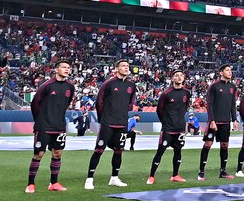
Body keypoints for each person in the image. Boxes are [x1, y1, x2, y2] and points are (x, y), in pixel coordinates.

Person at [85, 59, 137, 190]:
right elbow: (99, 102)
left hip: (122, 123)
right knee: (99, 150)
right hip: (108, 122)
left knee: (119, 150)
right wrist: (104, 118)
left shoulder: (131, 85)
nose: (126, 68)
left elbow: (131, 103)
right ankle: (89, 179)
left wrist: (123, 113)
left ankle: (114, 178)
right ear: (116, 69)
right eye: (123, 66)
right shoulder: (108, 84)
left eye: (127, 66)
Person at [27, 59, 76, 193]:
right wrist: (40, 120)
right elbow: (35, 104)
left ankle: (54, 183)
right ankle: (31, 184)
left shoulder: (70, 87)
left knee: (57, 153)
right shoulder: (46, 85)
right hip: (44, 125)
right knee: (39, 154)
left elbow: (66, 104)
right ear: (56, 70)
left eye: (68, 68)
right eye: (64, 67)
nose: (67, 70)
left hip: (59, 126)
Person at [148, 70, 190, 184]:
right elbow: (159, 110)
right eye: (176, 75)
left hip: (180, 128)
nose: (179, 77)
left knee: (178, 151)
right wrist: (166, 122)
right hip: (168, 128)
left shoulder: (187, 93)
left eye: (181, 75)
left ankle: (175, 175)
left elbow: (185, 107)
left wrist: (180, 120)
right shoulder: (166, 93)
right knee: (160, 151)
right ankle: (151, 176)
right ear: (172, 79)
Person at [200, 64, 238, 181]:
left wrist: (234, 119)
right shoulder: (214, 86)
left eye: (230, 70)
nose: (230, 72)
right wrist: (212, 120)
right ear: (221, 73)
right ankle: (201, 172)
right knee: (208, 144)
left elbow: (233, 105)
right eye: (227, 70)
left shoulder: (233, 87)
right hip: (214, 121)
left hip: (226, 122)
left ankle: (223, 171)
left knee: (225, 145)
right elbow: (209, 104)